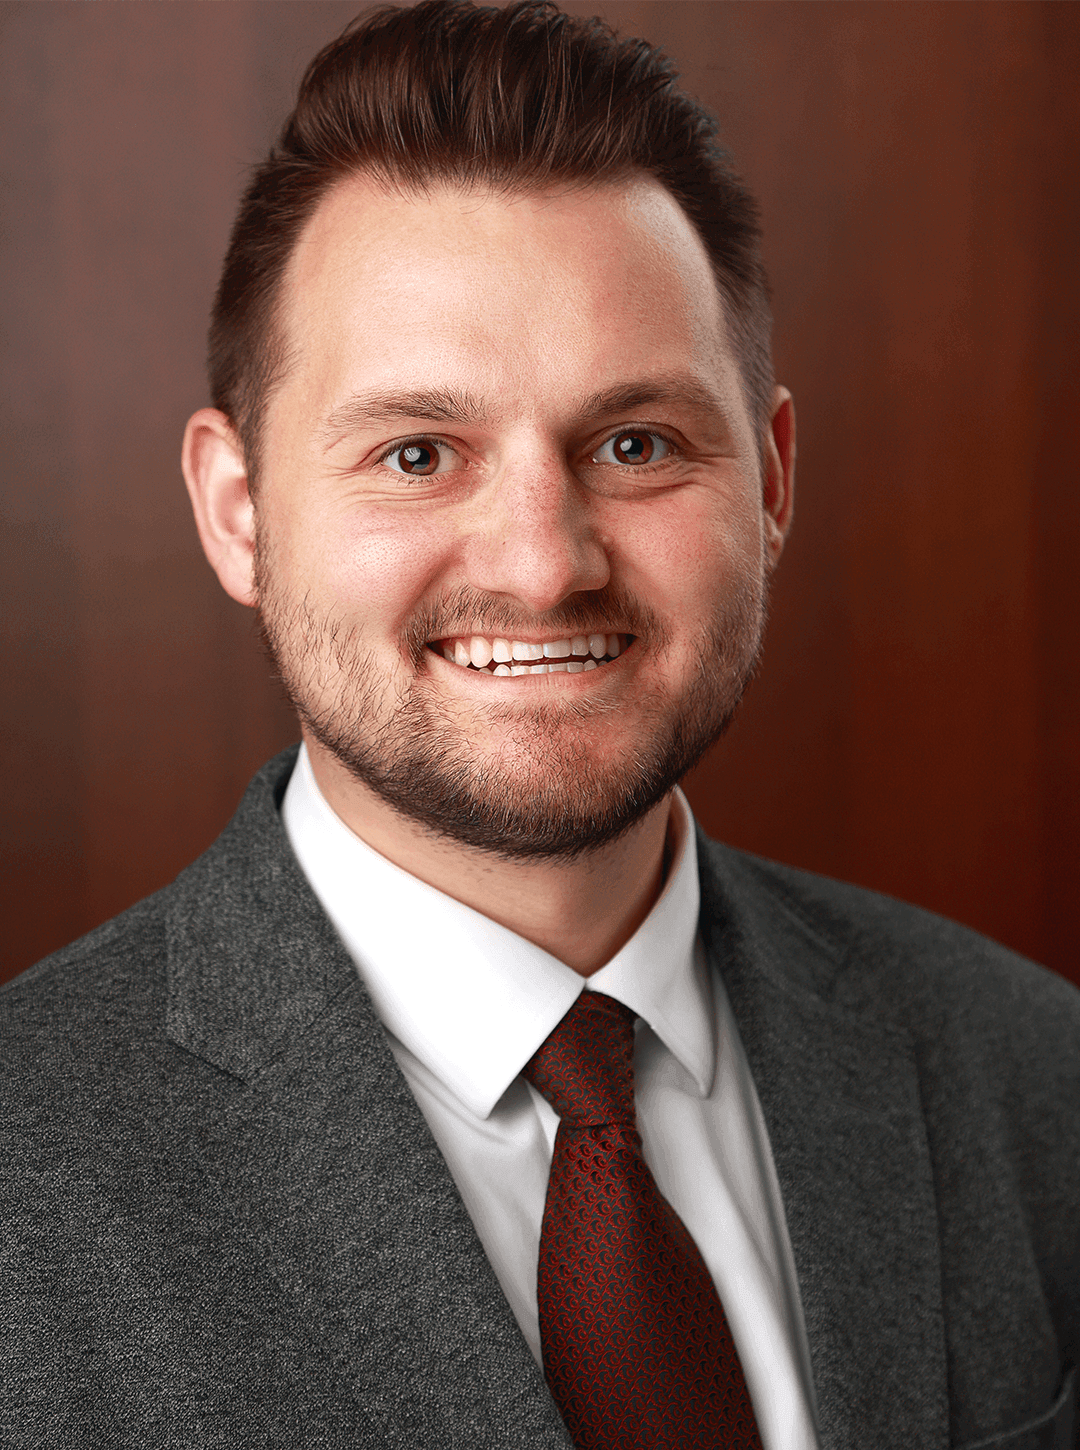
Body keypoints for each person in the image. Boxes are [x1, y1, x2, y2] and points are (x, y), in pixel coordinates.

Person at [2, 2, 1077, 1446]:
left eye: (635, 443)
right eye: (419, 452)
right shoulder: (28, 1168)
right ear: (237, 509)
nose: (542, 559)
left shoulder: (1031, 1073)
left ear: (768, 482)